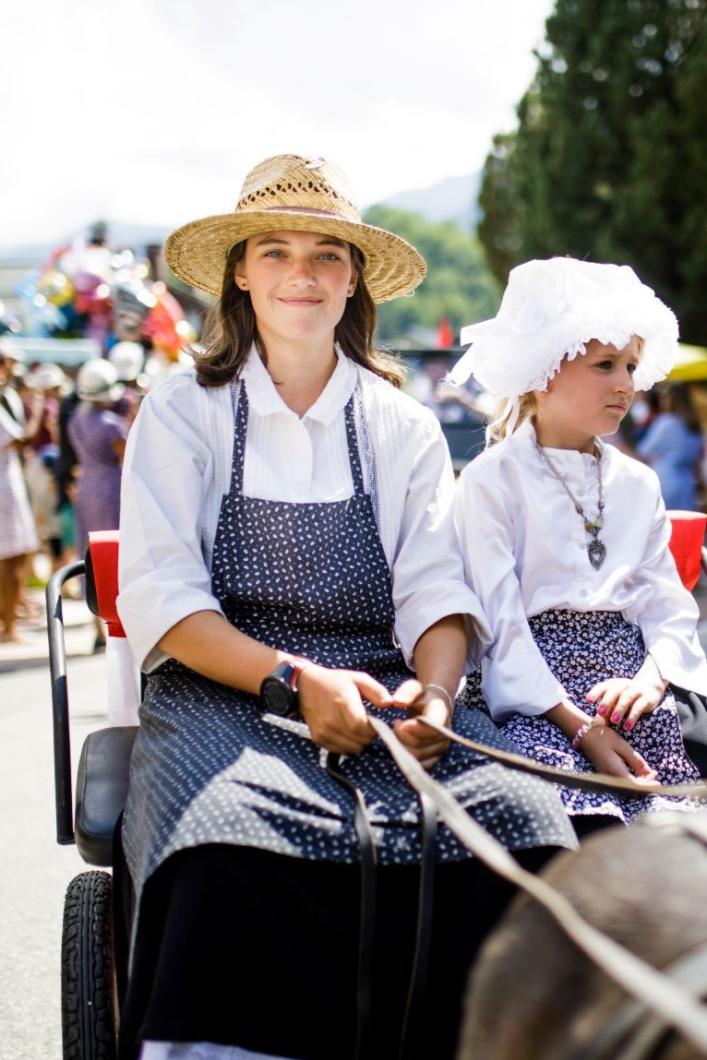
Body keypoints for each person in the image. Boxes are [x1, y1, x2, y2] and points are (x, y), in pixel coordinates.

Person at [116, 155, 576, 1060]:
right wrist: (292, 679)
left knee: (526, 827)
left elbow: (436, 589)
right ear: (239, 273)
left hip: (388, 686)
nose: (302, 274)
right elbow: (166, 602)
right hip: (226, 686)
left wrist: (439, 695)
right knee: (222, 848)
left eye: (326, 254)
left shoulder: (396, 422)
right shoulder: (182, 412)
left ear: (353, 277)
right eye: (276, 251)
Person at [452, 257, 707, 835]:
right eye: (604, 365)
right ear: (542, 373)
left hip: (633, 686)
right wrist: (579, 726)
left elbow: (666, 604)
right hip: (535, 693)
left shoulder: (638, 483)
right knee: (559, 819)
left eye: (632, 367)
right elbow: (497, 620)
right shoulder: (494, 479)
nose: (626, 384)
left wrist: (648, 680)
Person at [68, 358, 129, 649]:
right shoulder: (110, 425)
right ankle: (118, 622)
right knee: (114, 555)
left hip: (86, 488)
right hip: (111, 489)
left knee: (90, 557)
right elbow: (127, 457)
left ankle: (97, 627)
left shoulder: (76, 417)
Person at [0, 344, 42, 641]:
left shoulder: (8, 397)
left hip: (11, 482)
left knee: (19, 554)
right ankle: (9, 625)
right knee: (10, 557)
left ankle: (11, 619)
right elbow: (20, 439)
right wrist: (38, 411)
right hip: (4, 488)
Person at [636, 382, 703, 510]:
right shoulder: (695, 424)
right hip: (687, 482)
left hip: (665, 478)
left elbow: (644, 450)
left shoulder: (667, 422)